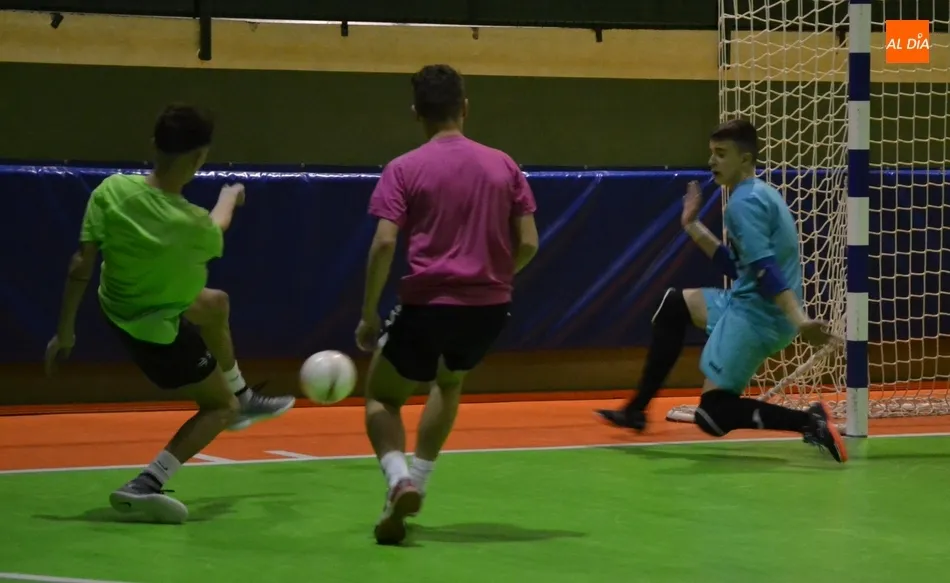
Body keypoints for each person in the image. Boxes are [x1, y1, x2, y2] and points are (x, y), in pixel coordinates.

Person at [44, 103, 296, 524]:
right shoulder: (191, 223)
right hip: (155, 332)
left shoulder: (111, 190)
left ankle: (243, 394)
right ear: (199, 158)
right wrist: (229, 196)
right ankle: (147, 483)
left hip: (117, 304)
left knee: (215, 304)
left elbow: (80, 265)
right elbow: (216, 226)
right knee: (220, 409)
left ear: (153, 145)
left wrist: (64, 333)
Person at [354, 64, 539, 545]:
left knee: (381, 397)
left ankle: (399, 480)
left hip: (428, 304)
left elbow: (383, 243)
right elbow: (529, 243)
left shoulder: (403, 168)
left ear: (416, 112)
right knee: (449, 381)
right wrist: (495, 279)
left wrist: (369, 314)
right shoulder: (504, 165)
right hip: (489, 308)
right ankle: (417, 482)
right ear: (465, 107)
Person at [596, 119, 847, 463]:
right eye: (711, 153)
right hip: (750, 302)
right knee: (673, 305)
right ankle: (636, 410)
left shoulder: (745, 204)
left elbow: (765, 270)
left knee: (712, 415)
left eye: (721, 153)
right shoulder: (758, 193)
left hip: (759, 315)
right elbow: (739, 267)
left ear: (745, 159)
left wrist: (800, 320)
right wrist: (691, 225)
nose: (712, 161)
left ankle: (809, 422)